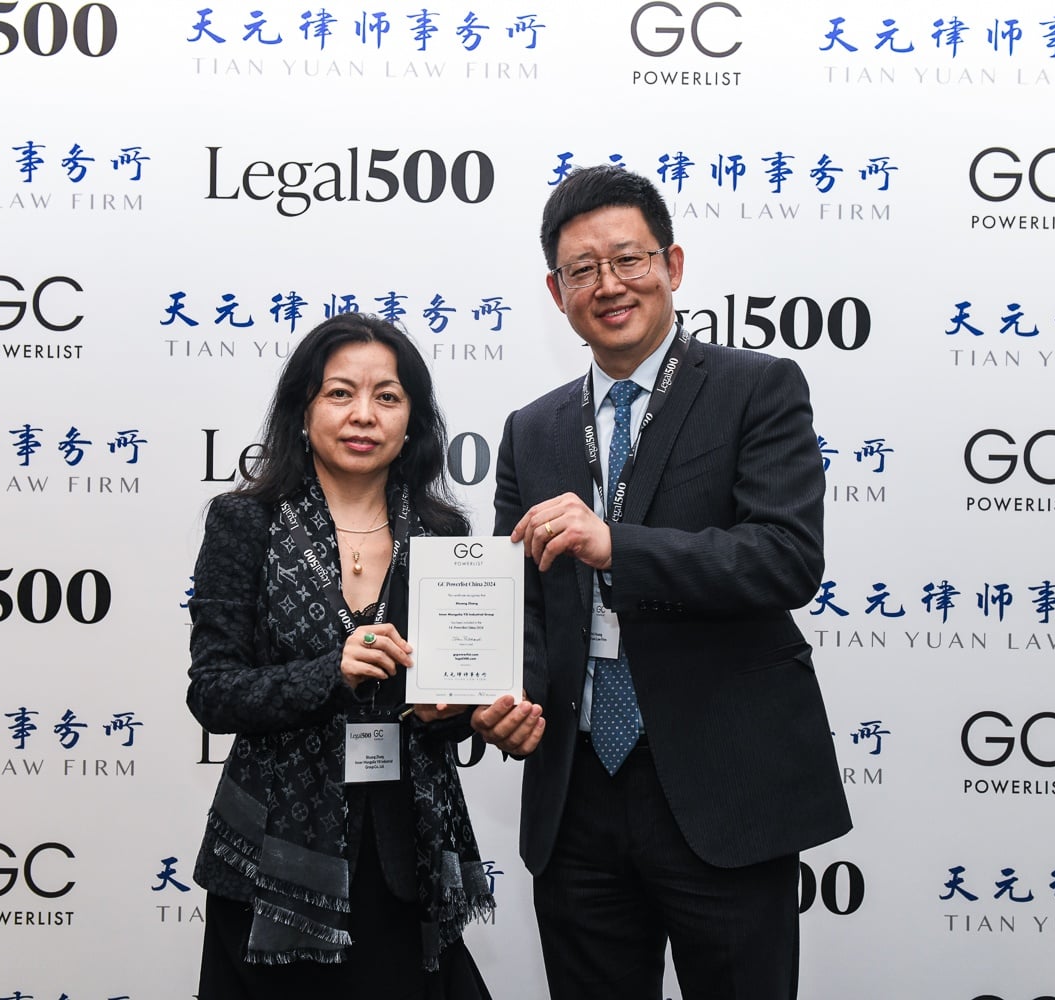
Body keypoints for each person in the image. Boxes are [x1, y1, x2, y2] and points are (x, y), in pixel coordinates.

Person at [472, 165, 852, 999]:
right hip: (576, 791)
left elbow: (785, 557)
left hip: (724, 781)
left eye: (629, 259)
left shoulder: (756, 388)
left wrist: (619, 545)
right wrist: (506, 696)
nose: (608, 285)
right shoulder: (532, 430)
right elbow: (520, 602)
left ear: (672, 266)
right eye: (582, 269)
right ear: (556, 292)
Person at [187, 313, 496, 999]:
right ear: (303, 411)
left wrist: (453, 711)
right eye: (339, 393)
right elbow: (212, 690)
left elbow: (450, 699)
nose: (364, 415)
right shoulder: (246, 522)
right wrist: (331, 672)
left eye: (387, 396)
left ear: (413, 420)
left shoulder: (444, 535)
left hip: (407, 854)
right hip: (273, 861)